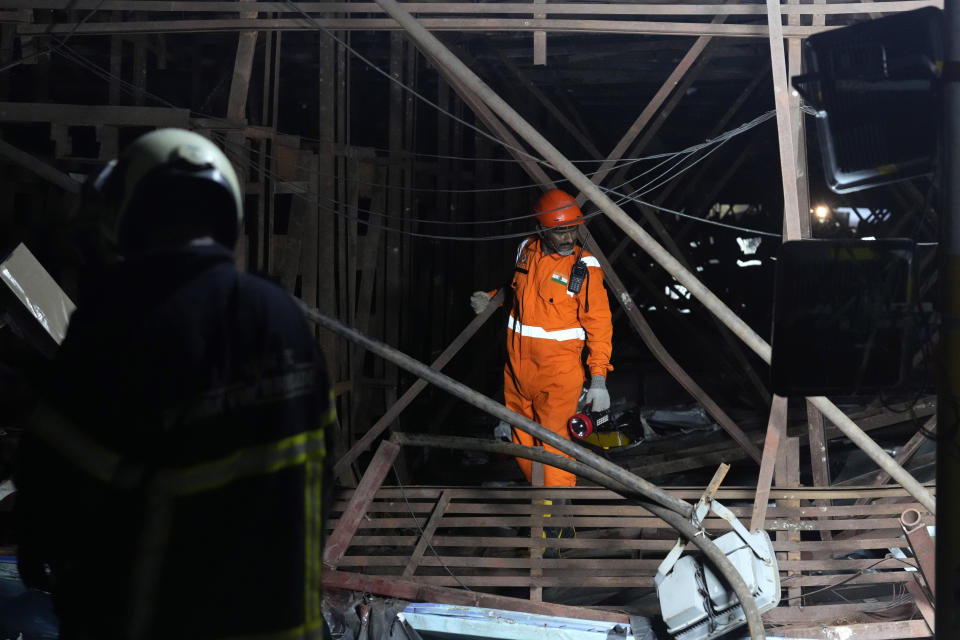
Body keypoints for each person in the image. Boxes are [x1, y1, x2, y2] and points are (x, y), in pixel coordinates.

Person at [14, 129, 335, 640]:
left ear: (130, 216)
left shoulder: (122, 326)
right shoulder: (283, 319)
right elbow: (321, 472)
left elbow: (51, 502)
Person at [471, 188, 613, 492]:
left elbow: (599, 326)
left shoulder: (585, 269)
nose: (567, 238)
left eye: (572, 229)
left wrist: (598, 380)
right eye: (559, 231)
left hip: (558, 376)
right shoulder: (526, 249)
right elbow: (519, 291)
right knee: (524, 447)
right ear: (540, 229)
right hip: (518, 373)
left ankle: (556, 526)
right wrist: (494, 299)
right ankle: (544, 510)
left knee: (556, 452)